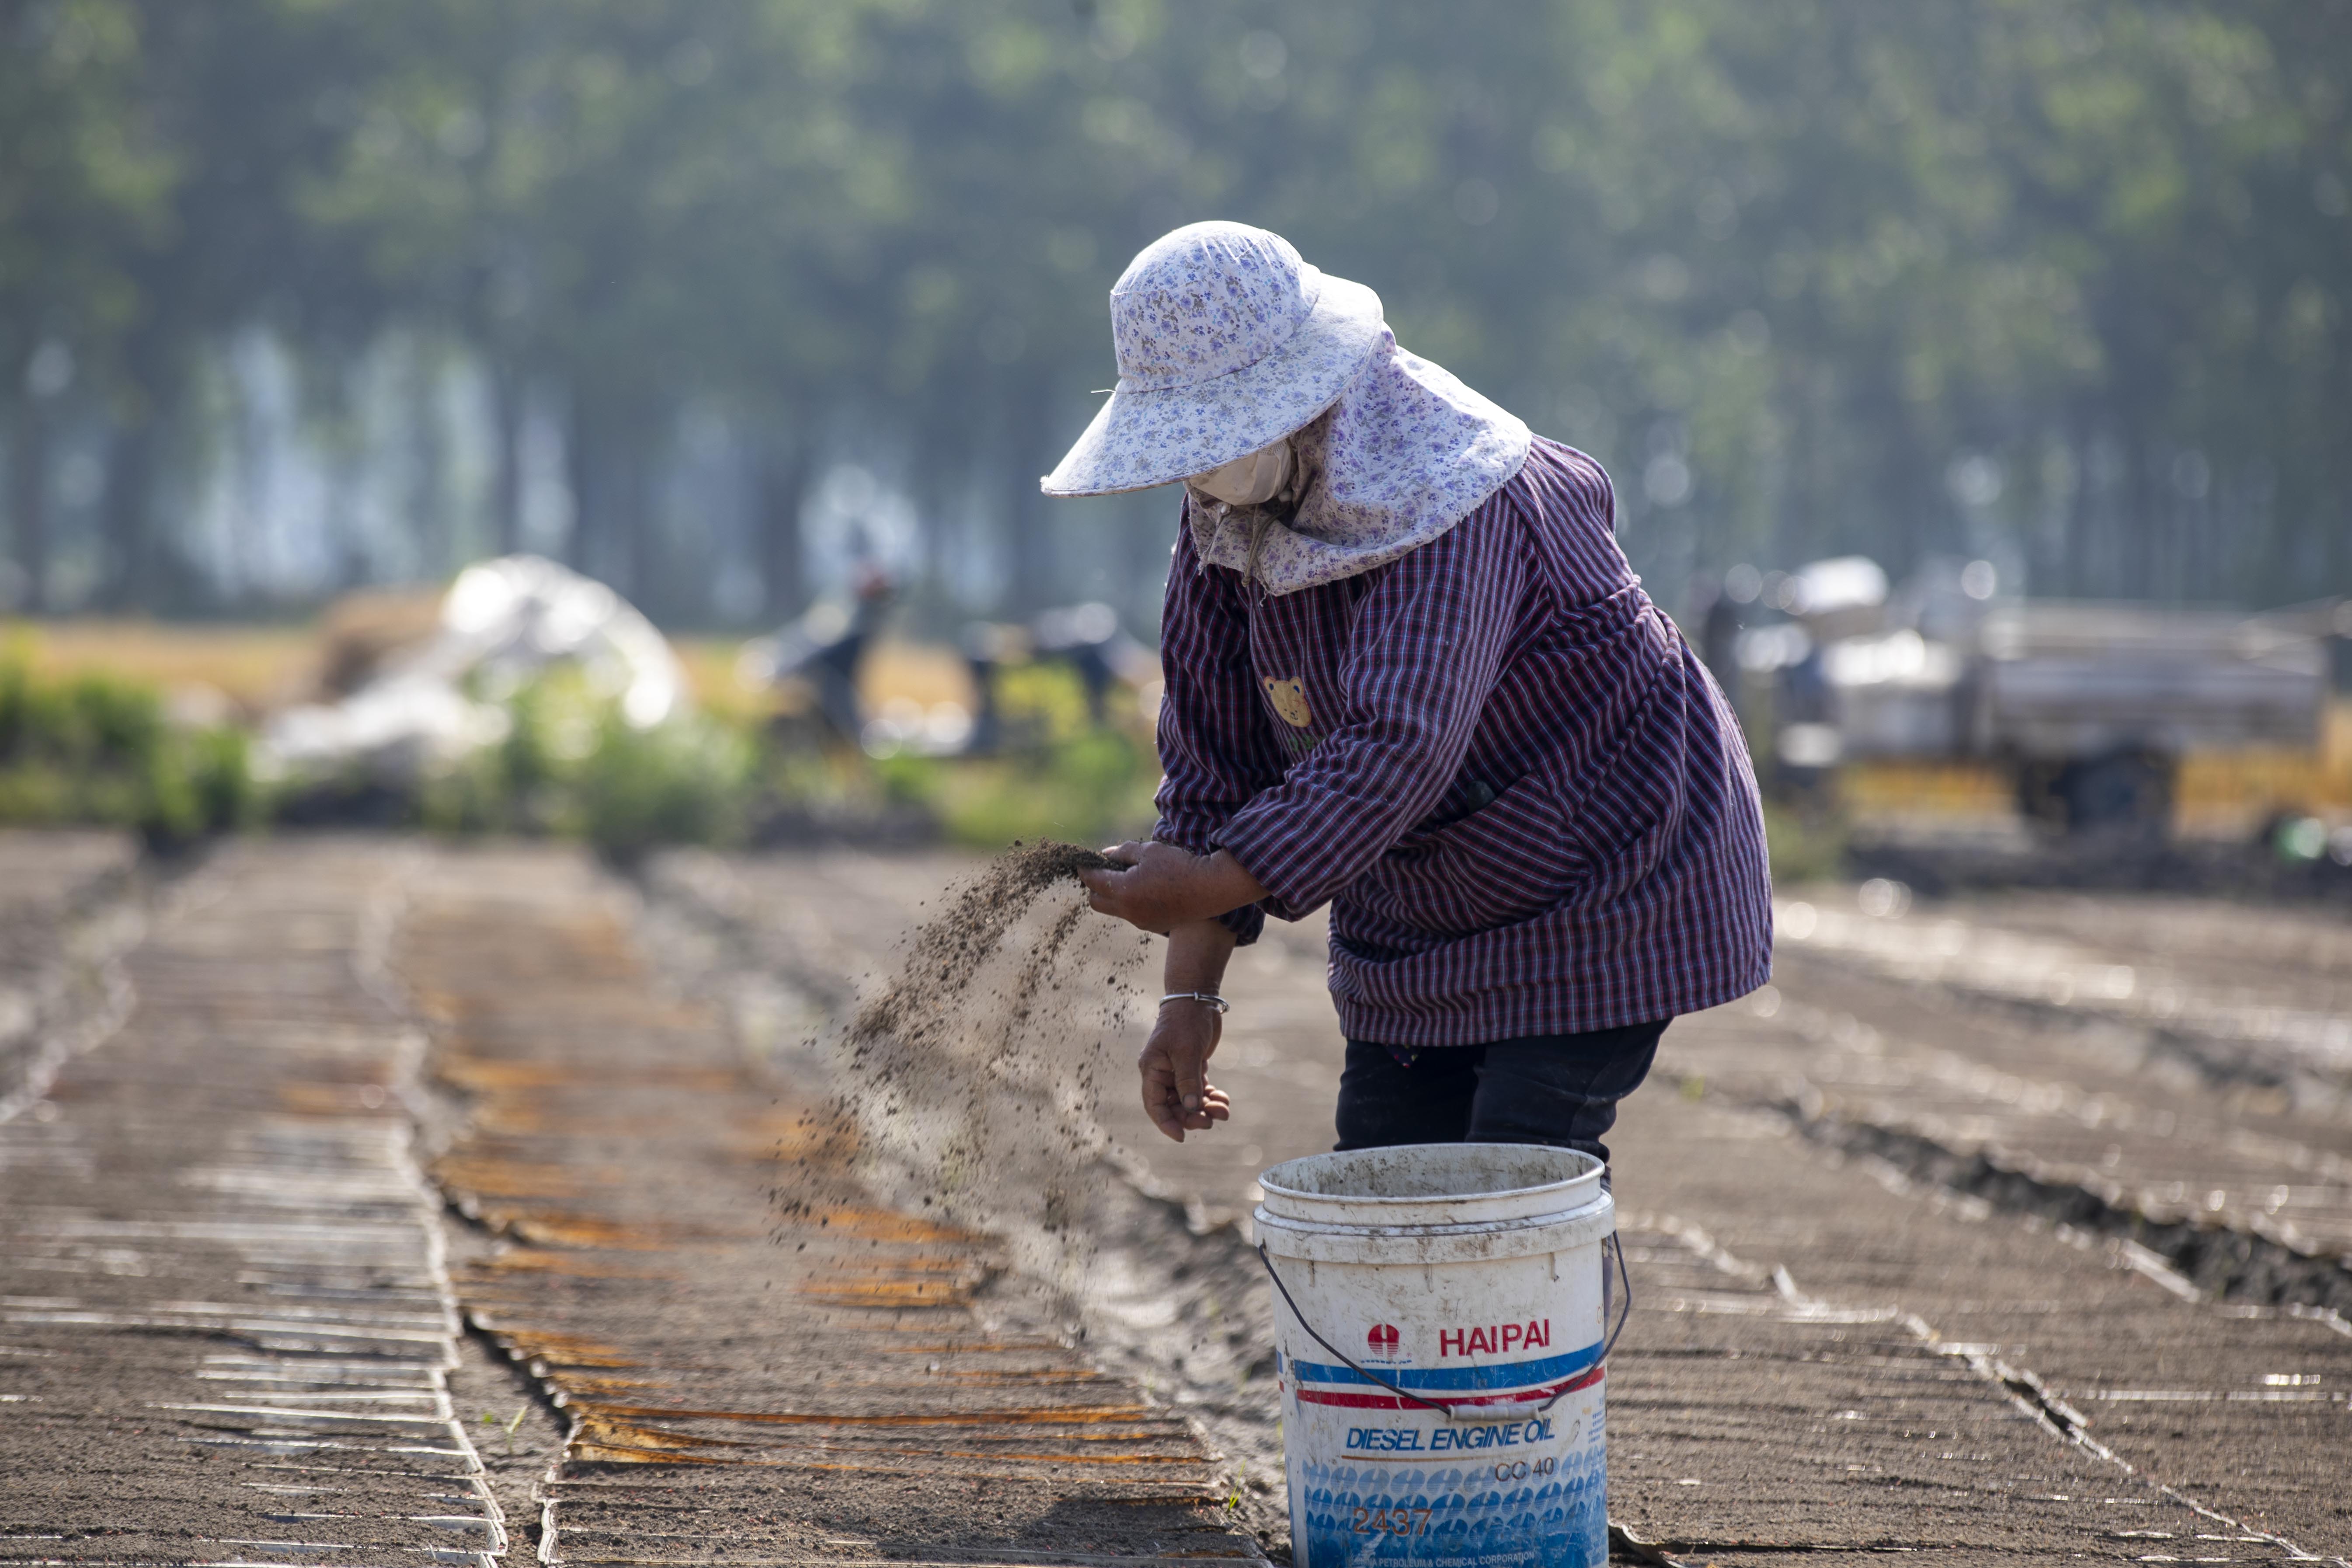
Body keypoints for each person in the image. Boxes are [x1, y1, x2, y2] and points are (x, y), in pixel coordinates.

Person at [1052, 222, 1771, 1175]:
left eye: (1228, 433)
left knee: (1514, 1174)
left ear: (1311, 397)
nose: (1207, 469)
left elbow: (1395, 751)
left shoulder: (1454, 494)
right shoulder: (1229, 514)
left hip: (1601, 869)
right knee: (1386, 1169)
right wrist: (1189, 999)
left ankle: (1530, 1331)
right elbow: (1210, 765)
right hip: (1425, 900)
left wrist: (1207, 884)